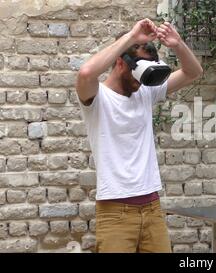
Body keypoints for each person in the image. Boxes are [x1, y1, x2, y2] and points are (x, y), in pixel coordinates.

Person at [75, 19, 203, 253]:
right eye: (140, 71)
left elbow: (193, 72)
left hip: (152, 207)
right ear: (121, 63)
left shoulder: (144, 92)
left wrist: (178, 44)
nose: (142, 80)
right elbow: (86, 72)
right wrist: (131, 37)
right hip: (115, 212)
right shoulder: (97, 98)